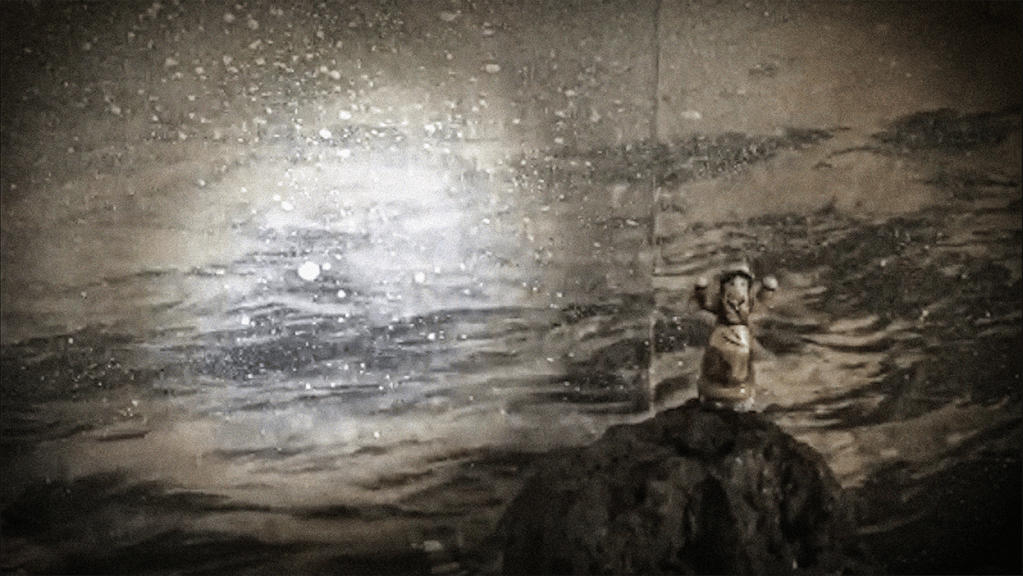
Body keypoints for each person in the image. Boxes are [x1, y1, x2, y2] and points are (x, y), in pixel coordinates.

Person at [692, 262, 777, 411]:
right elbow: (705, 303)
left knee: (741, 355)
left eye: (743, 284)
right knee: (716, 352)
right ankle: (713, 387)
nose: (737, 288)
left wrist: (767, 289)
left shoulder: (749, 302)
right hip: (721, 332)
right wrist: (701, 290)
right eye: (732, 283)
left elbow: (761, 301)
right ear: (724, 287)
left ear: (748, 287)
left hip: (740, 334)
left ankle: (739, 389)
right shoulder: (720, 302)